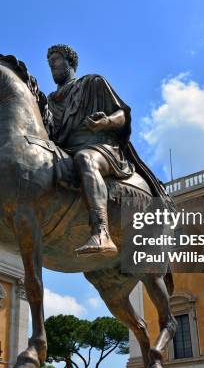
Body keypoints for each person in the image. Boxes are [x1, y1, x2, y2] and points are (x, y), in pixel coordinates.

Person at [45, 44, 170, 256]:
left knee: (85, 160)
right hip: (66, 151)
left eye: (56, 60)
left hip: (100, 147)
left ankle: (101, 231)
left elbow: (121, 114)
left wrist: (106, 122)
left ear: (70, 62)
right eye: (49, 63)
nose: (52, 66)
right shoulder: (49, 101)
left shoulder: (93, 83)